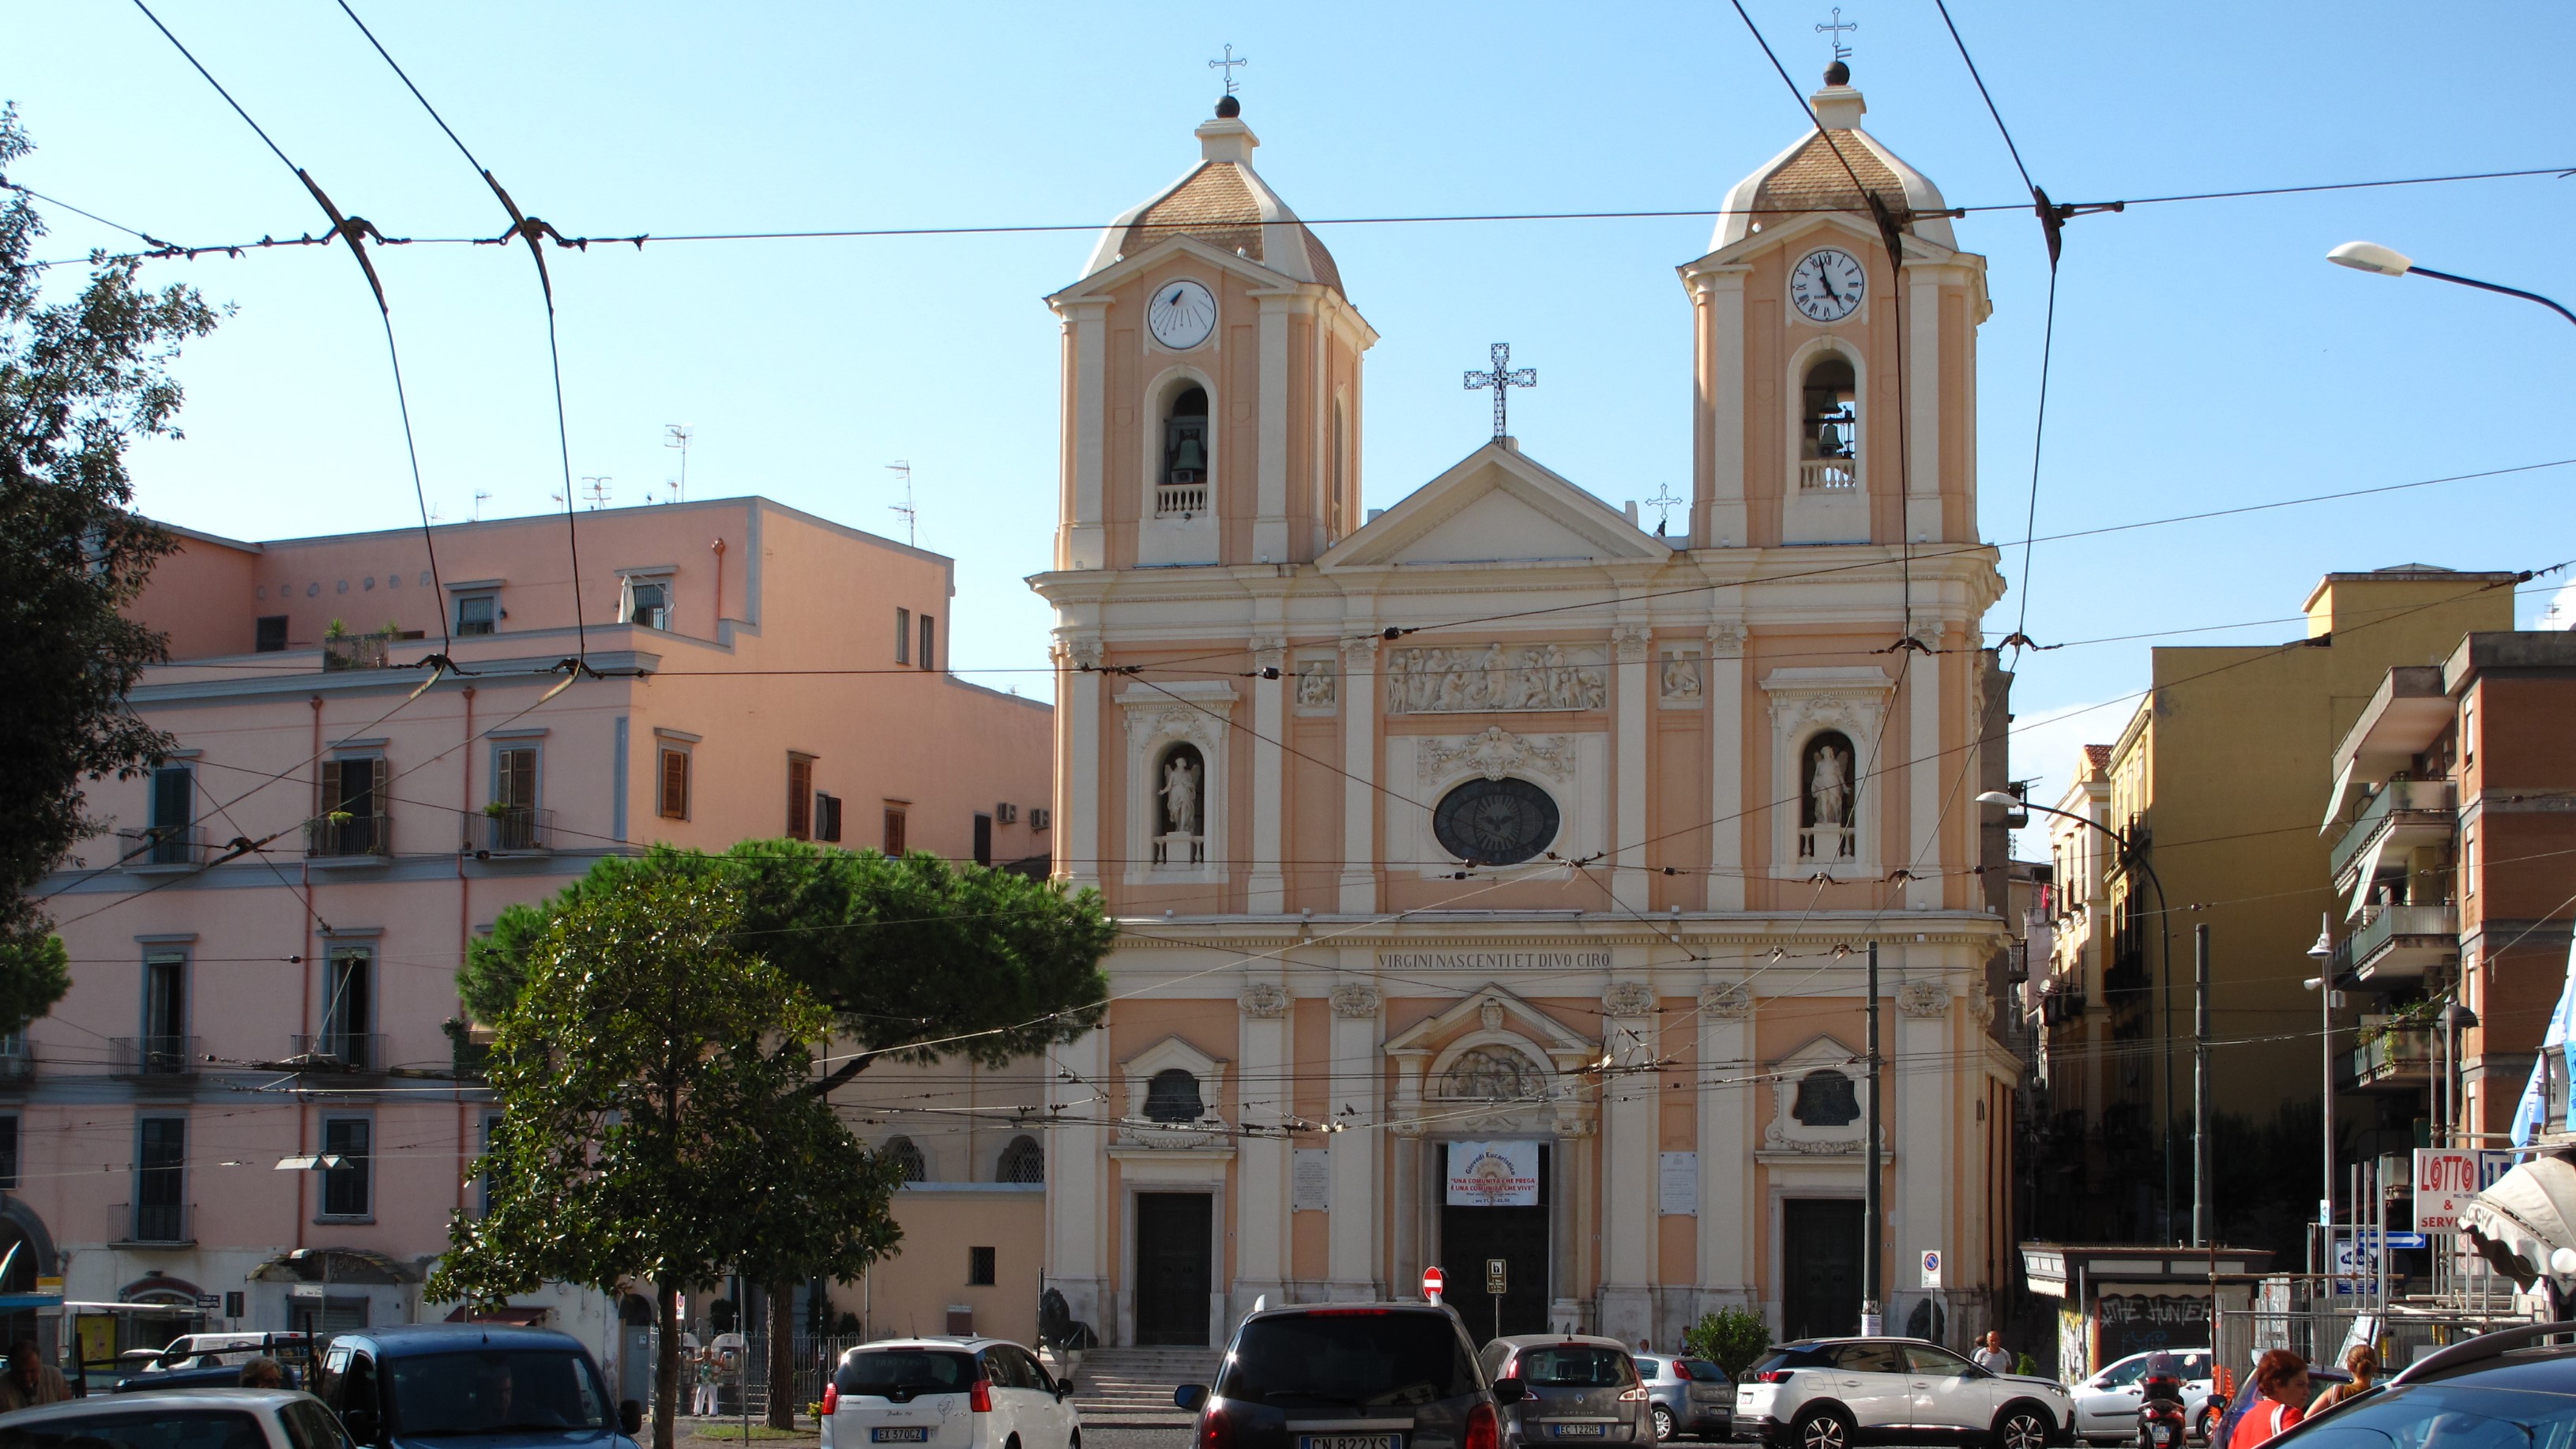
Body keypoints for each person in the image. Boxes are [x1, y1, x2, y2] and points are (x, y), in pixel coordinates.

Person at [2227, 1350, 2309, 1449]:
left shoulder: (2246, 1420)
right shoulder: (2288, 1416)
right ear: (2278, 1384)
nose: (2307, 1392)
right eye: (2300, 1385)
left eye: (2307, 1386)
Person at [0, 1338, 72, 1411]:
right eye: (20, 1372)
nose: (27, 1378)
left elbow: (68, 1409)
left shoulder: (55, 1377)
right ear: (11, 1366)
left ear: (40, 1364)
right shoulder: (2, 1388)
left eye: (32, 1371)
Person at [2309, 1345, 2379, 1415]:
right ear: (2375, 1368)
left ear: (2350, 1367)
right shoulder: (2381, 1398)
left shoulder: (2336, 1393)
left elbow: (2305, 1420)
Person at [692, 1348, 720, 1417]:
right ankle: (697, 1411)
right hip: (704, 1381)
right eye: (704, 1353)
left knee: (712, 1396)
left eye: (708, 1353)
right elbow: (695, 1361)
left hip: (711, 1381)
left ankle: (713, 1412)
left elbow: (722, 1365)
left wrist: (717, 1373)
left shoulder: (712, 1361)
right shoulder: (702, 1360)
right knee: (700, 1394)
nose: (706, 1355)